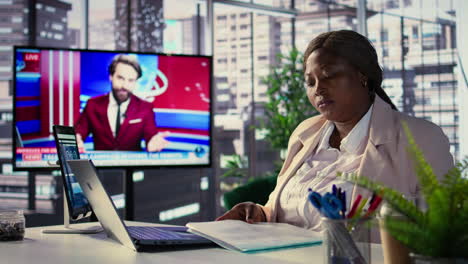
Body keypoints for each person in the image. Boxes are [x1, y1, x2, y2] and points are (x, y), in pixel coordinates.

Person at [216, 30, 454, 231]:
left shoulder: (421, 139)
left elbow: (442, 235)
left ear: (362, 76)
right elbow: (280, 211)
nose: (318, 89)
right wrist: (260, 213)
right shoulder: (304, 133)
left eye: (329, 76)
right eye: (310, 82)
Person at [75, 54, 170, 151]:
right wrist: (77, 141)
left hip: (132, 165)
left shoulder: (145, 107)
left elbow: (151, 136)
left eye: (131, 80)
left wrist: (152, 143)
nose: (125, 85)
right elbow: (79, 132)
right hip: (100, 165)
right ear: (111, 76)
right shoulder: (93, 105)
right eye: (120, 78)